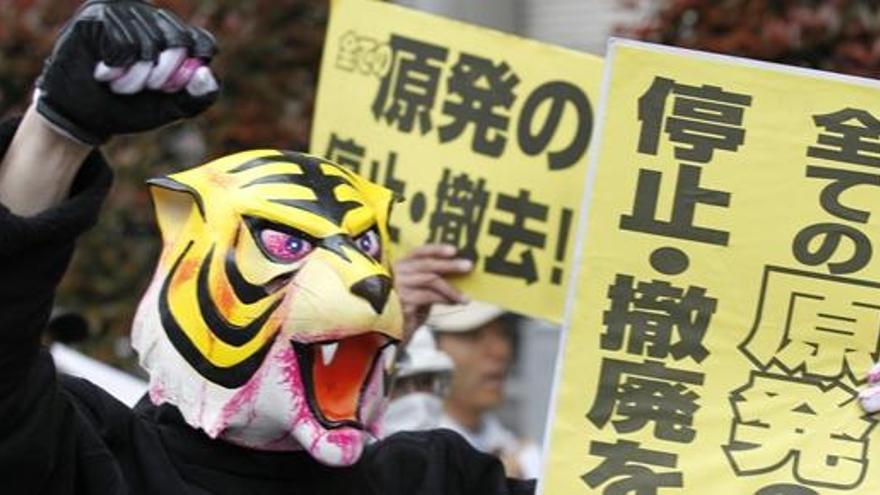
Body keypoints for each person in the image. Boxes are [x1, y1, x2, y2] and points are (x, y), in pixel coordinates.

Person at [0, 1, 533, 494]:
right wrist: (55, 132)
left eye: (366, 243)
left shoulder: (428, 481)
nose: (367, 276)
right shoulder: (98, 459)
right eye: (287, 242)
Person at [429, 301, 542, 480]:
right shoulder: (403, 454)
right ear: (429, 345)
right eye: (472, 336)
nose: (500, 351)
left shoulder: (522, 454)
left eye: (504, 334)